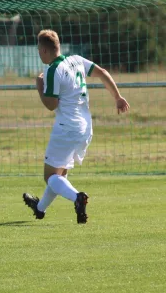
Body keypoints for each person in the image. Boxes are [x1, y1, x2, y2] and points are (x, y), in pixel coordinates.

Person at [23, 29, 130, 224]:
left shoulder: (53, 70)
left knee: (50, 177)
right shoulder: (76, 60)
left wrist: (39, 86)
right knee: (60, 174)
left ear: (45, 51)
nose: (38, 53)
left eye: (39, 49)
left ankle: (77, 198)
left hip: (67, 128)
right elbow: (103, 72)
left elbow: (51, 105)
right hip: (85, 127)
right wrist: (117, 97)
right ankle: (39, 209)